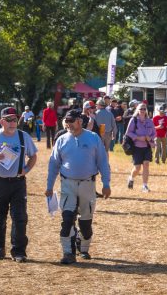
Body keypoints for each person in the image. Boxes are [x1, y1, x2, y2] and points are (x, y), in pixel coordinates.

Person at [46, 109, 111, 264]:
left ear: (80, 121)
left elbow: (103, 162)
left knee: (85, 222)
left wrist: (106, 184)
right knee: (67, 219)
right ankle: (68, 253)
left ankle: (84, 248)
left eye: (71, 121)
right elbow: (54, 164)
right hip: (67, 184)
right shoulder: (62, 140)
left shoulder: (93, 138)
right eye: (66, 121)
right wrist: (49, 186)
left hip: (88, 185)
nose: (68, 124)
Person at [0, 107, 38, 262]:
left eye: (15, 119)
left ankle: (18, 252)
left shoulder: (24, 137)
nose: (13, 123)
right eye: (9, 119)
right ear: (2, 121)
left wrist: (27, 169)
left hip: (18, 183)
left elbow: (33, 156)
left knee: (19, 217)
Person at [125, 103, 156, 192]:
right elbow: (128, 133)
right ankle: (131, 178)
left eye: (144, 109)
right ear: (137, 110)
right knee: (137, 168)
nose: (142, 110)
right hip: (136, 147)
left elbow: (154, 133)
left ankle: (144, 186)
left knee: (146, 164)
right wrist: (138, 137)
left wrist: (150, 138)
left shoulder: (150, 121)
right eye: (141, 109)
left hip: (147, 146)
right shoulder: (133, 120)